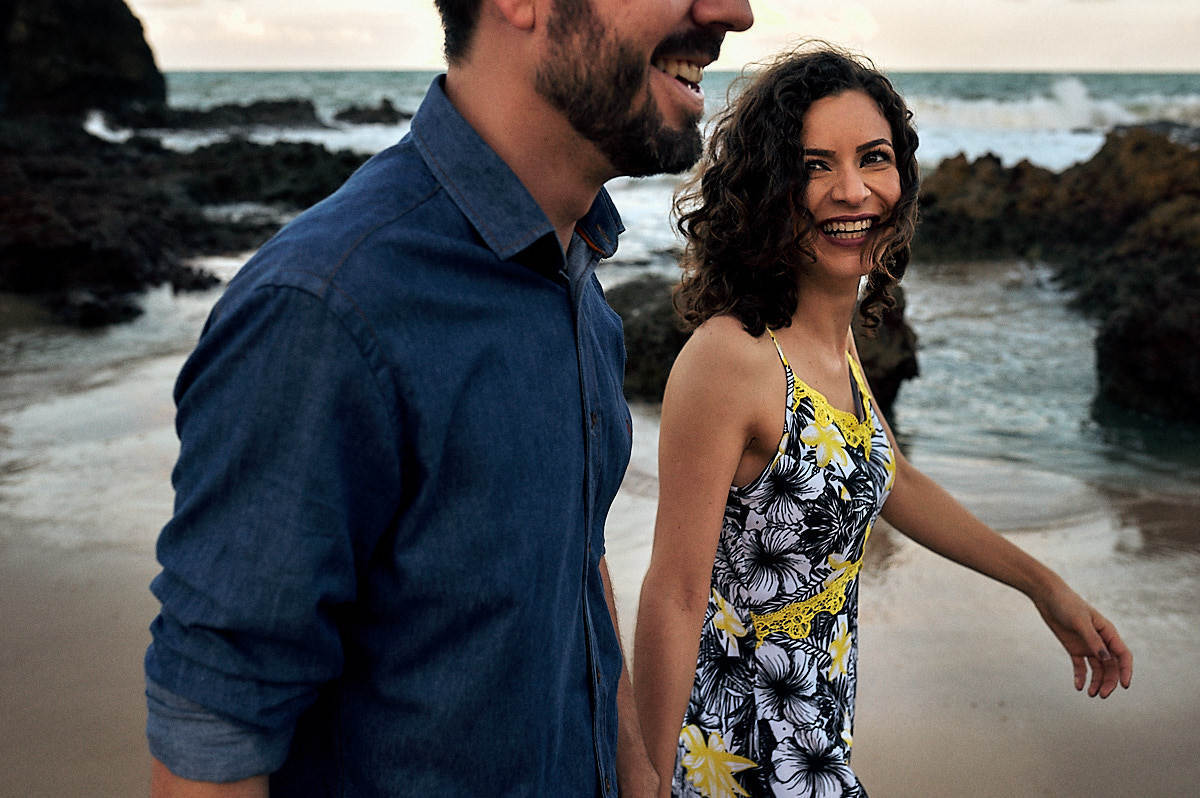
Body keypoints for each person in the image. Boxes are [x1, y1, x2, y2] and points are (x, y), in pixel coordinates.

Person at [143, 0, 754, 795]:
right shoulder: (326, 308)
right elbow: (213, 732)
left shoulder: (578, 295)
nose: (734, 12)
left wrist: (638, 775)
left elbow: (575, 561)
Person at [632, 46, 1134, 798]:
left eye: (874, 158)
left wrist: (1042, 586)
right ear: (771, 186)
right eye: (814, 166)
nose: (851, 190)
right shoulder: (730, 358)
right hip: (731, 760)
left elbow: (890, 476)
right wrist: (646, 783)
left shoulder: (835, 342)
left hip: (816, 749)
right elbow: (673, 594)